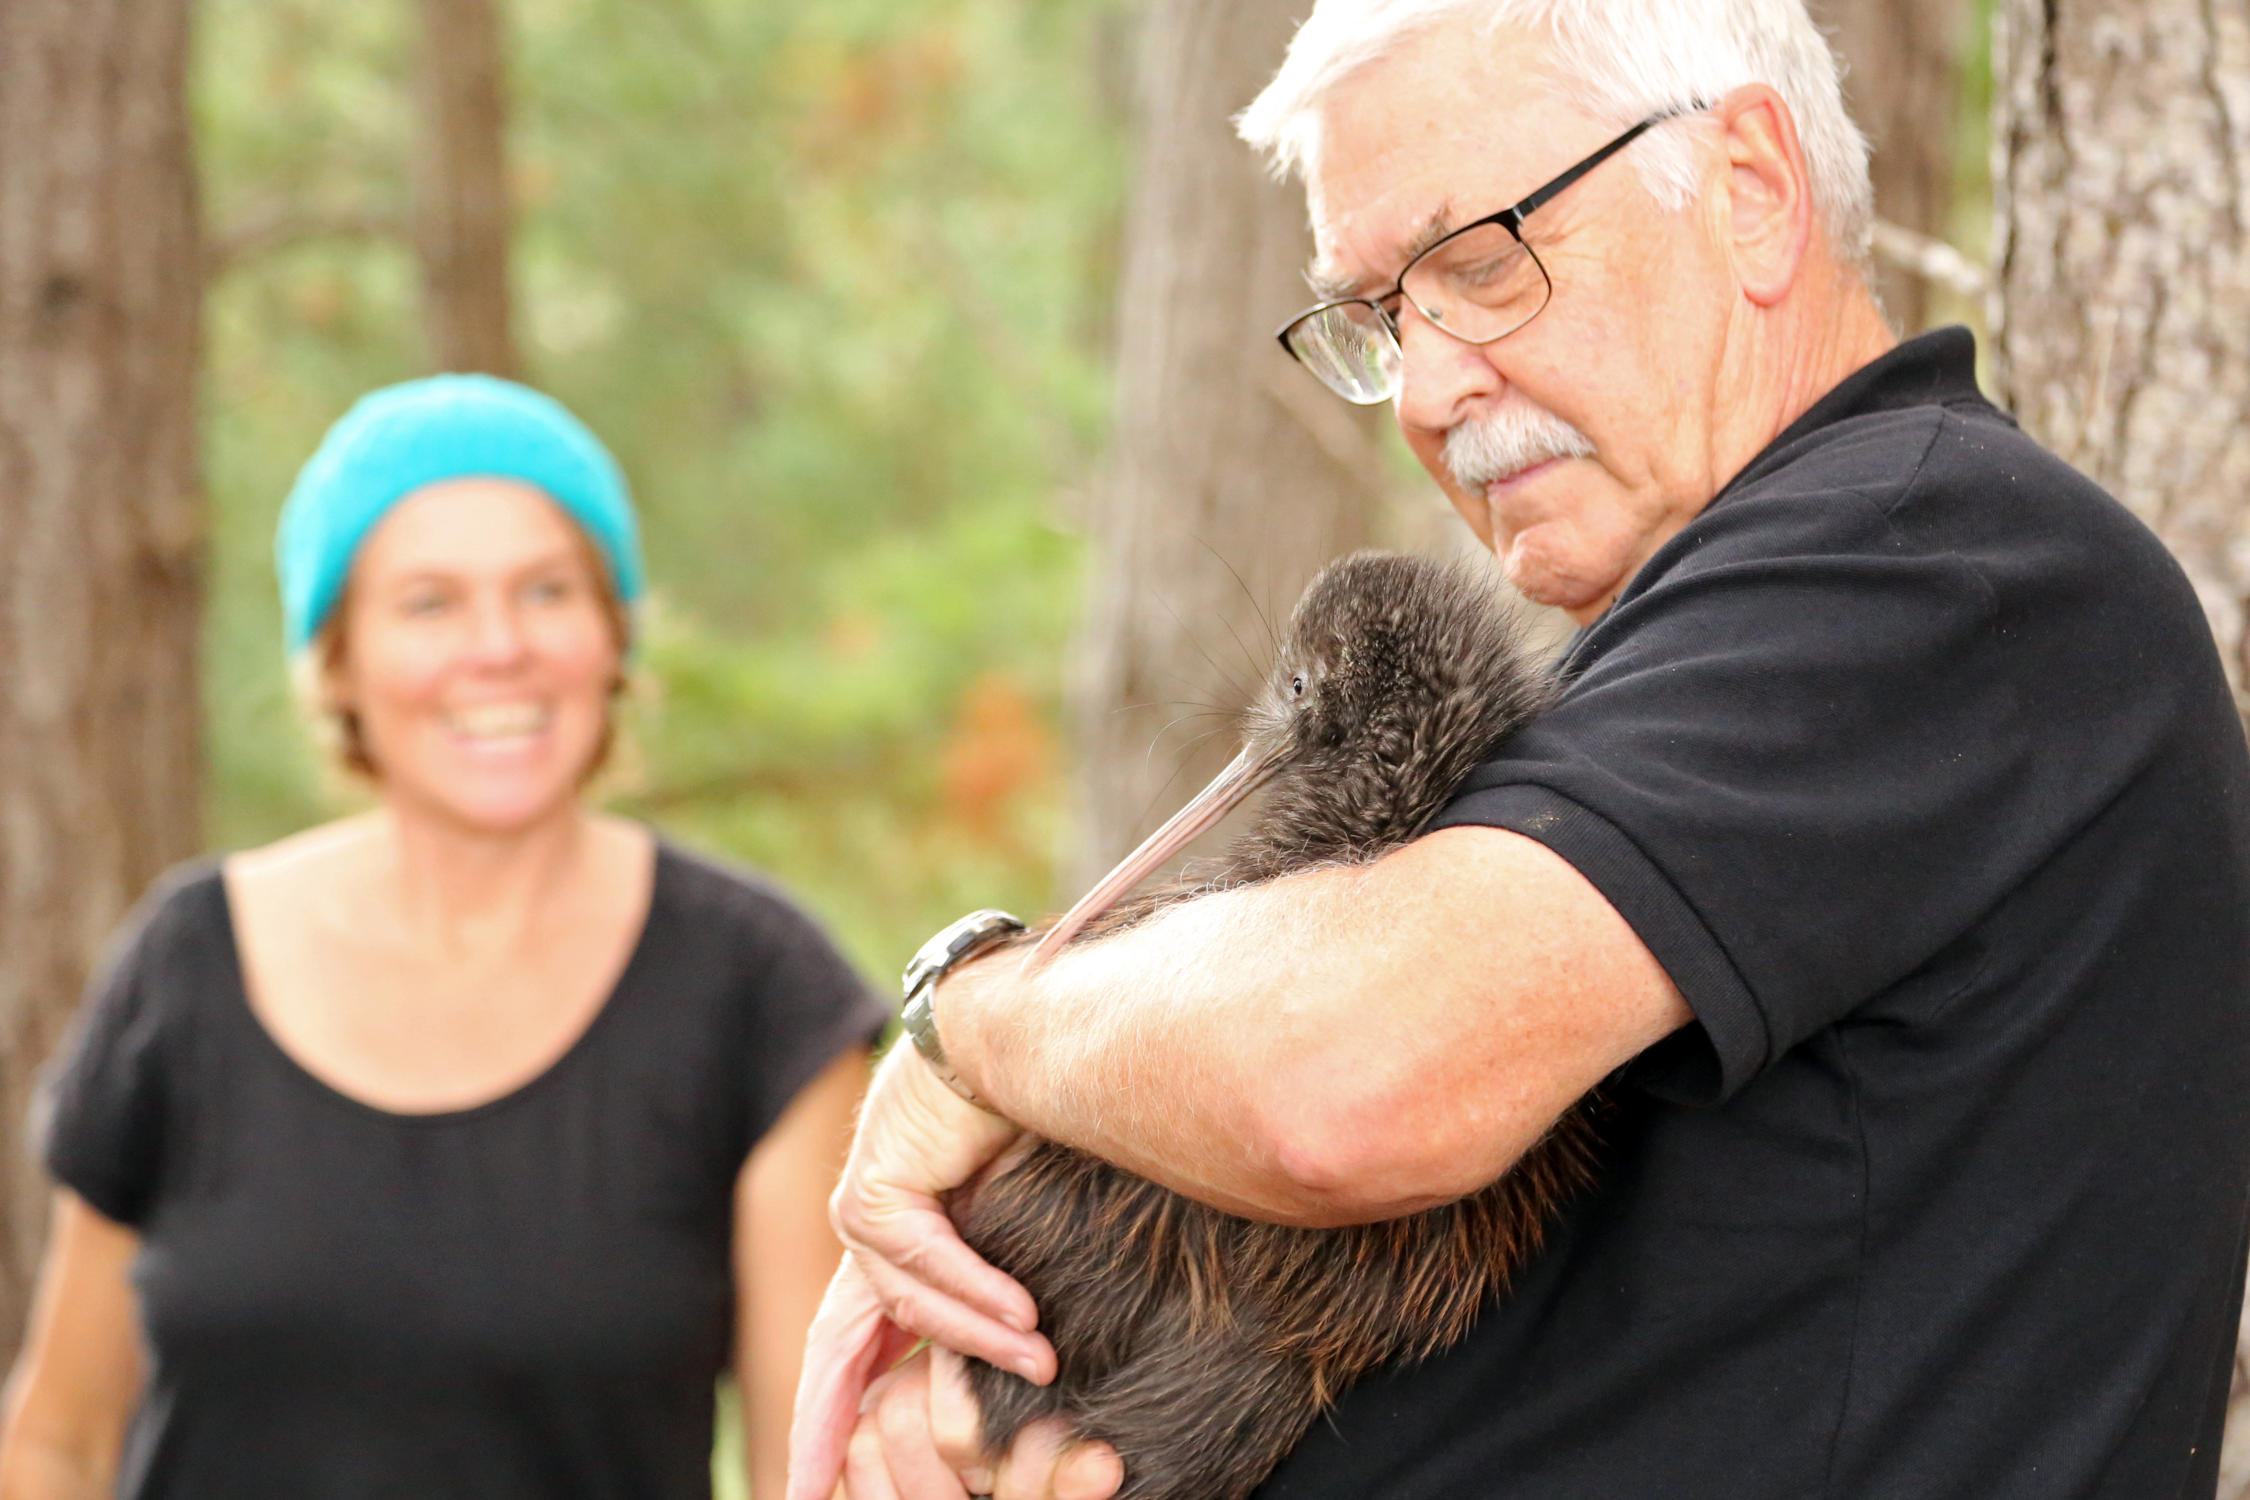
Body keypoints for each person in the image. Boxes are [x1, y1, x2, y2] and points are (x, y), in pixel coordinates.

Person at [789, 2, 2250, 1498]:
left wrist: (979, 1020)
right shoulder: (1720, 663)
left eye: (1480, 267)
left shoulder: (1935, 564)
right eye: (1377, 318)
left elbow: (1338, 1082)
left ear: (1748, 188)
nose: (1424, 396)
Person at [0, 375, 886, 1500]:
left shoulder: (763, 992)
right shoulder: (186, 963)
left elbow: (806, 1477)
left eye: (548, 590)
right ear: (340, 663)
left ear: (614, 634)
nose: (499, 647)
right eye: (429, 603)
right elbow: (54, 1448)